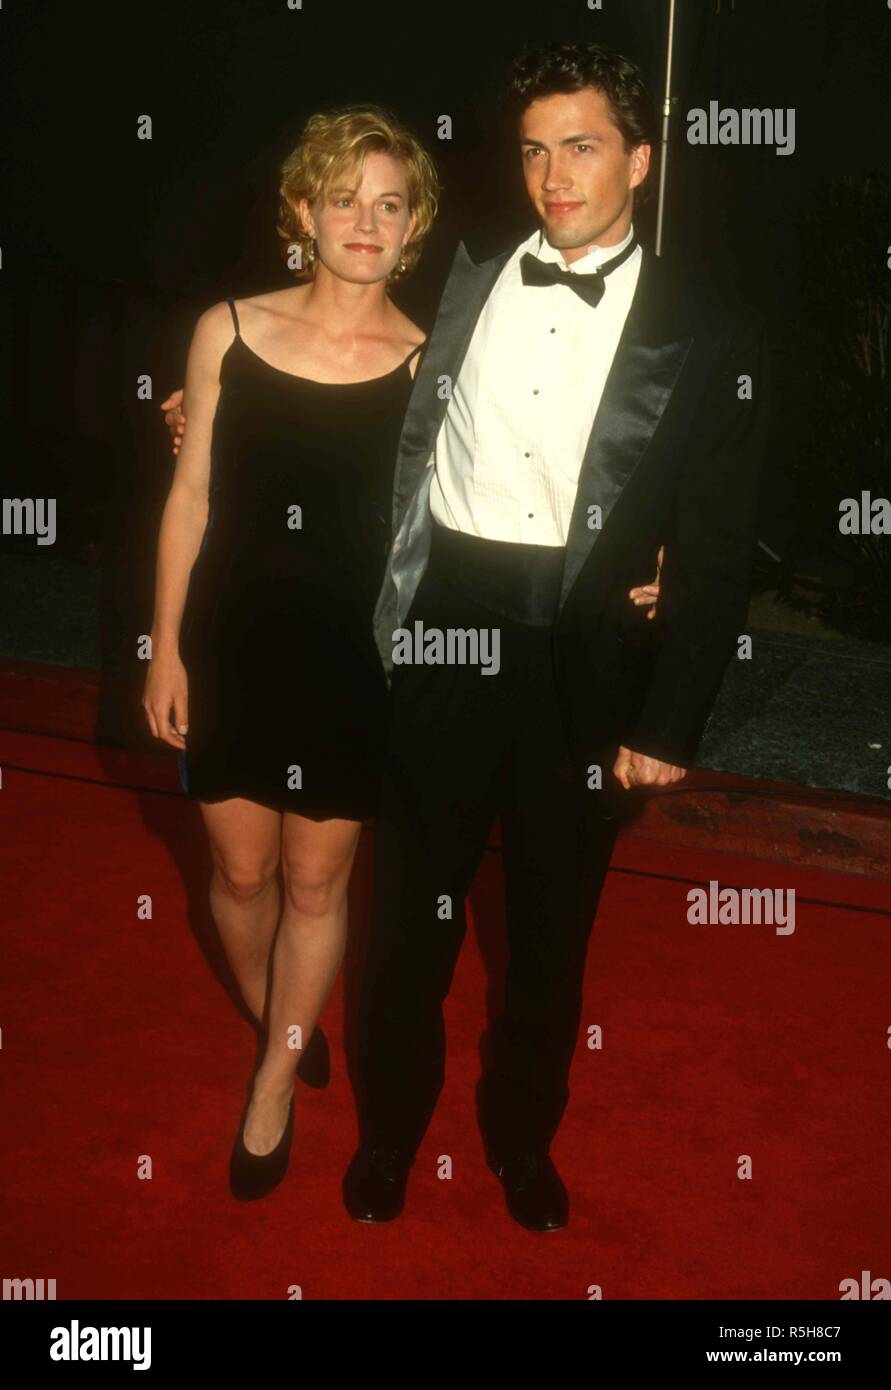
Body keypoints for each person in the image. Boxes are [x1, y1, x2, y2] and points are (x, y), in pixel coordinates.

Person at [343, 40, 771, 1232]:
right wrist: (205, 408)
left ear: (640, 157)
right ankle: (388, 1135)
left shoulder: (709, 332)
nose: (553, 174)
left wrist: (668, 718)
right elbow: (359, 379)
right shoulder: (469, 277)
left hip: (586, 653)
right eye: (534, 150)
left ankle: (521, 1139)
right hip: (449, 627)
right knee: (408, 915)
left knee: (548, 932)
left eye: (580, 146)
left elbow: (721, 542)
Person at [143, 104, 438, 1200]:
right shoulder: (226, 329)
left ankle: (275, 1071)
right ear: (302, 208)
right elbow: (190, 496)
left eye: (390, 203)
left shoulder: (428, 364)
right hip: (230, 643)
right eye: (344, 197)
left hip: (355, 662)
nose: (365, 220)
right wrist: (164, 647)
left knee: (318, 889)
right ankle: (281, 1011)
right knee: (239, 873)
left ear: (415, 227)